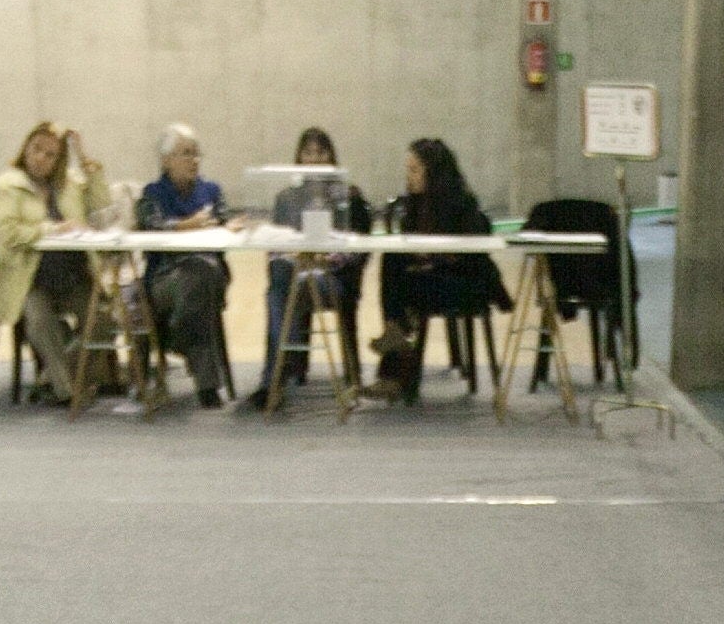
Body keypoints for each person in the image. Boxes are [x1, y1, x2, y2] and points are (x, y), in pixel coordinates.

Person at [0, 122, 117, 400]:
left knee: (104, 319)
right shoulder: (8, 185)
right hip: (29, 279)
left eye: (50, 154)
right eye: (36, 149)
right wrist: (51, 229)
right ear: (26, 148)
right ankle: (66, 391)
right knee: (40, 321)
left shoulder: (69, 183)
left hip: (74, 276)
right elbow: (8, 234)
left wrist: (85, 161)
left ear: (60, 160)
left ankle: (56, 376)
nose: (41, 158)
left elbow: (102, 206)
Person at [374, 137, 499, 404]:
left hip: (463, 283)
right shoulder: (415, 205)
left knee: (399, 279)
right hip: (430, 278)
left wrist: (435, 258)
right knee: (392, 261)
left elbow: (473, 253)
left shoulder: (461, 204)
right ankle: (395, 339)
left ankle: (394, 353)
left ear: (434, 172)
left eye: (414, 170)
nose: (409, 177)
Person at [258, 125, 370, 409]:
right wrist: (293, 254)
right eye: (307, 153)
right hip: (294, 270)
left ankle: (273, 378)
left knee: (279, 293)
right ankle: (284, 358)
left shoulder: (348, 196)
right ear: (298, 157)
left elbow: (355, 247)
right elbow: (276, 246)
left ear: (331, 156)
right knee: (279, 281)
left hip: (329, 276)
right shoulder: (286, 198)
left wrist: (323, 257)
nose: (314, 158)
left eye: (320, 152)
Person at [135, 123, 233, 408]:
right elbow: (150, 224)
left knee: (202, 276)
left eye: (196, 153)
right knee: (198, 282)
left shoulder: (212, 190)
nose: (193, 160)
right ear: (166, 161)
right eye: (185, 154)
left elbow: (224, 220)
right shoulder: (152, 193)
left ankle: (176, 340)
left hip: (210, 274)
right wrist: (188, 225)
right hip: (165, 277)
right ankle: (207, 386)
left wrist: (226, 226)